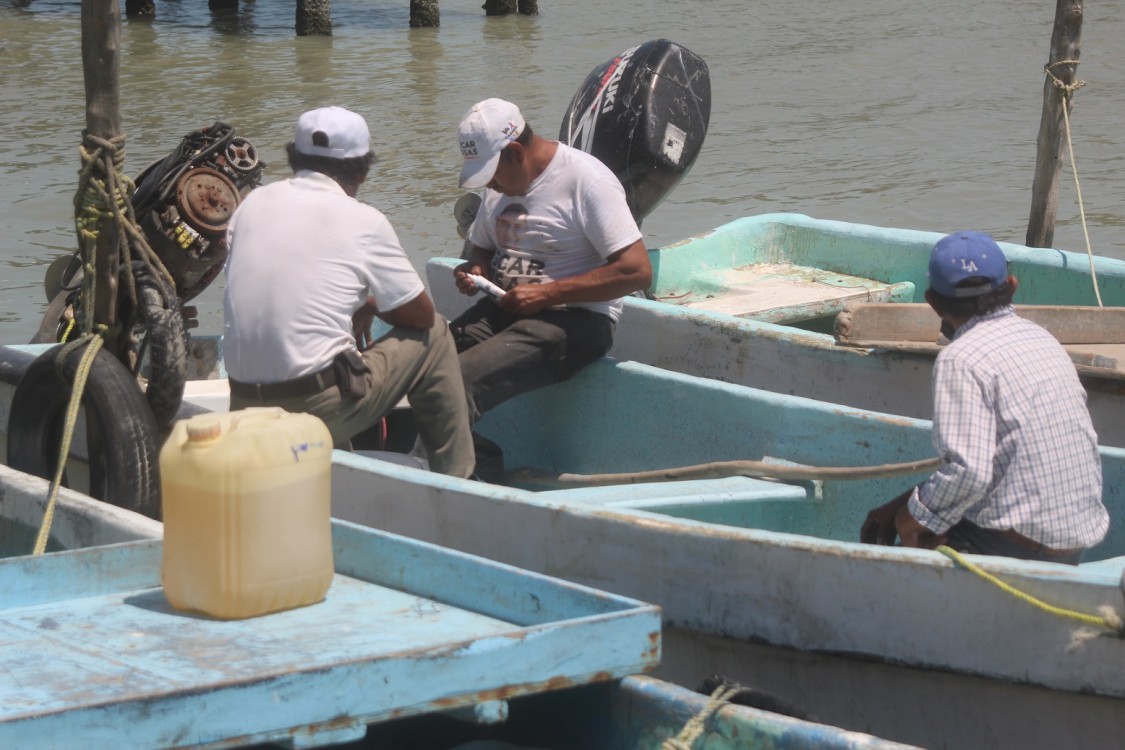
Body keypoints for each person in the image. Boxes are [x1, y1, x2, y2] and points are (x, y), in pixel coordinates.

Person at [223, 106, 474, 478]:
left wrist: (363, 304)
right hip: (312, 408)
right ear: (363, 169)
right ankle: (459, 483)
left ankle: (336, 475)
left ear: (294, 158)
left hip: (242, 404)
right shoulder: (364, 220)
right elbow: (420, 316)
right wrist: (373, 303)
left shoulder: (251, 205)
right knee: (436, 332)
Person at [860, 230, 1108, 564]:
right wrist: (910, 502)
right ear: (1013, 285)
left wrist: (910, 517)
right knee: (922, 510)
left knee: (916, 527)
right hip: (1077, 536)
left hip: (1021, 545)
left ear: (932, 301)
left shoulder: (960, 358)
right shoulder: (1042, 338)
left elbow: (970, 472)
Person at [450, 98, 653, 479]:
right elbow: (481, 244)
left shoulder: (586, 181)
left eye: (492, 174)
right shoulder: (501, 183)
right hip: (506, 307)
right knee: (425, 363)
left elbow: (637, 272)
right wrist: (475, 268)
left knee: (458, 382)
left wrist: (548, 294)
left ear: (515, 151)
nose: (490, 184)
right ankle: (444, 462)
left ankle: (477, 484)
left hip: (575, 320)